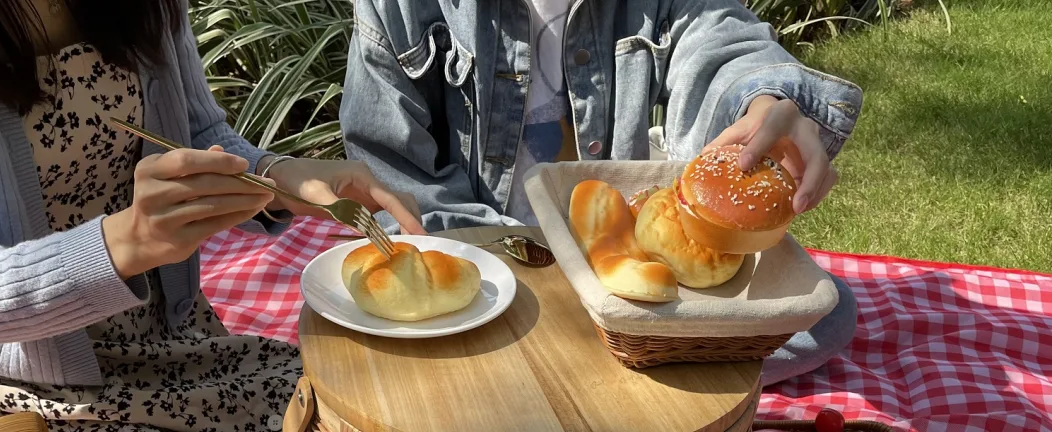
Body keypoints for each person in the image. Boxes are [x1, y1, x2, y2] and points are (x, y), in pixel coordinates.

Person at [0, 0, 422, 432]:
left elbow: (196, 136)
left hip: (182, 351)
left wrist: (277, 177)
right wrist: (122, 244)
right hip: (35, 402)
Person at [340, 0, 862, 384]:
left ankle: (598, 363)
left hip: (616, 275)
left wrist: (763, 96)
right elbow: (396, 180)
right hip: (482, 265)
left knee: (827, 314)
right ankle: (619, 368)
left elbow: (722, 40)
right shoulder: (400, 8)